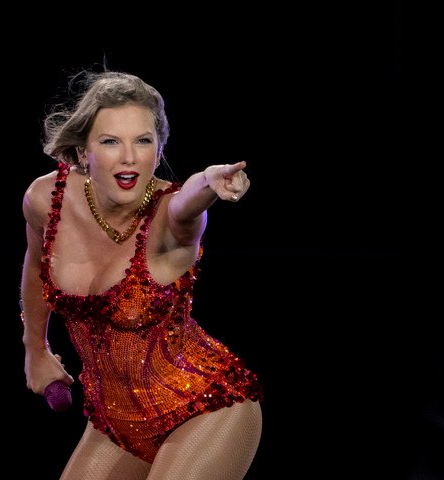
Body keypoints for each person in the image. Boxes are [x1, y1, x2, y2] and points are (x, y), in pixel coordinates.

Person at [19, 70, 263, 479]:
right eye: (111, 141)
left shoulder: (170, 217)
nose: (130, 156)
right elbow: (34, 267)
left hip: (206, 407)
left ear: (158, 148)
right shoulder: (46, 200)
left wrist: (209, 180)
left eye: (144, 141)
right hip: (115, 423)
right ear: (83, 152)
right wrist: (35, 350)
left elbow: (190, 201)